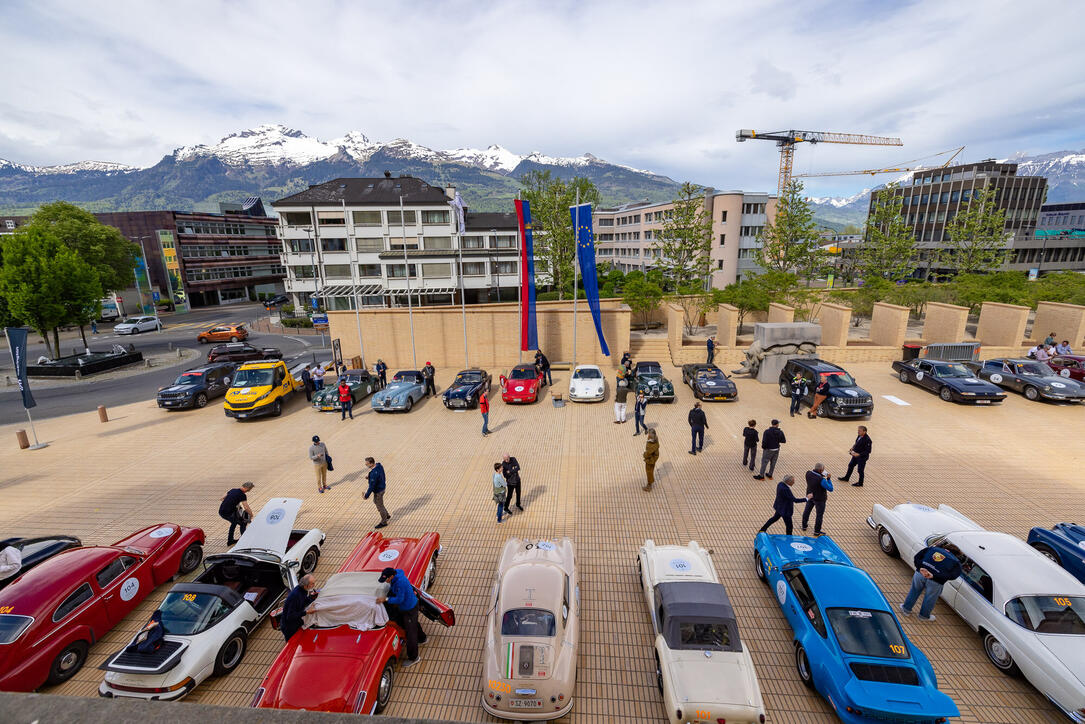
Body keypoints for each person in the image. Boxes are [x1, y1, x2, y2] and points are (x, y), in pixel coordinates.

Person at [377, 567, 426, 666]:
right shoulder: (397, 575)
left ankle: (414, 658)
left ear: (391, 576)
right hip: (410, 605)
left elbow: (399, 599)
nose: (386, 581)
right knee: (413, 623)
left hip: (409, 608)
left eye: (386, 579)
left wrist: (385, 599)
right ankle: (422, 639)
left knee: (410, 633)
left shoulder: (400, 583)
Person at [901, 545, 962, 621]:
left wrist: (920, 568)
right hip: (936, 582)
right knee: (930, 598)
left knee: (914, 591)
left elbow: (917, 557)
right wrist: (934, 576)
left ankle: (906, 610)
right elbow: (953, 575)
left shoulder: (932, 549)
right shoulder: (956, 562)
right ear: (956, 554)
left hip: (920, 574)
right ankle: (923, 616)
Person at [281, 574, 318, 641]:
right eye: (312, 584)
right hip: (290, 627)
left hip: (297, 622)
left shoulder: (303, 590)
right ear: (306, 585)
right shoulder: (295, 596)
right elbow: (290, 616)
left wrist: (314, 601)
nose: (314, 585)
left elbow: (305, 599)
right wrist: (306, 612)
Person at [801, 463, 833, 536]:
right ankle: (817, 531)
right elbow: (830, 488)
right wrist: (828, 479)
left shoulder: (808, 473)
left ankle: (804, 526)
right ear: (820, 470)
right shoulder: (822, 480)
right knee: (819, 515)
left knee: (807, 510)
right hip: (820, 499)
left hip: (810, 495)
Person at [219, 481, 254, 546]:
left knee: (234, 522)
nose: (249, 491)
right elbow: (246, 507)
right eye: (249, 490)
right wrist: (251, 515)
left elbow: (222, 498)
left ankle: (230, 541)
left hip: (221, 511)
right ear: (247, 488)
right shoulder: (242, 495)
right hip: (228, 513)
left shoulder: (233, 490)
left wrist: (231, 503)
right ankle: (245, 542)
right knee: (243, 523)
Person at [364, 457, 391, 529]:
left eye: (367, 464)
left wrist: (366, 496)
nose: (366, 465)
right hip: (382, 487)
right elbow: (379, 476)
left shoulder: (374, 473)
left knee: (380, 506)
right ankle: (387, 515)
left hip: (378, 491)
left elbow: (371, 486)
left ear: (371, 463)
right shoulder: (379, 466)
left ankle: (384, 522)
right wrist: (369, 477)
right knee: (376, 501)